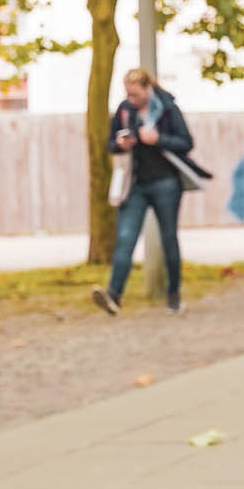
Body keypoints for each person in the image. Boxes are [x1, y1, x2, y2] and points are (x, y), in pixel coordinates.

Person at [93, 67, 206, 316]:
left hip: (166, 182)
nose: (131, 99)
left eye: (135, 95)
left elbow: (186, 142)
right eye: (128, 94)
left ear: (147, 89)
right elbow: (111, 143)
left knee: (168, 239)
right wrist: (120, 144)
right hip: (135, 184)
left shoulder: (167, 108)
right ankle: (114, 295)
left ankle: (173, 296)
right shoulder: (124, 111)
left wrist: (158, 139)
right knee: (125, 238)